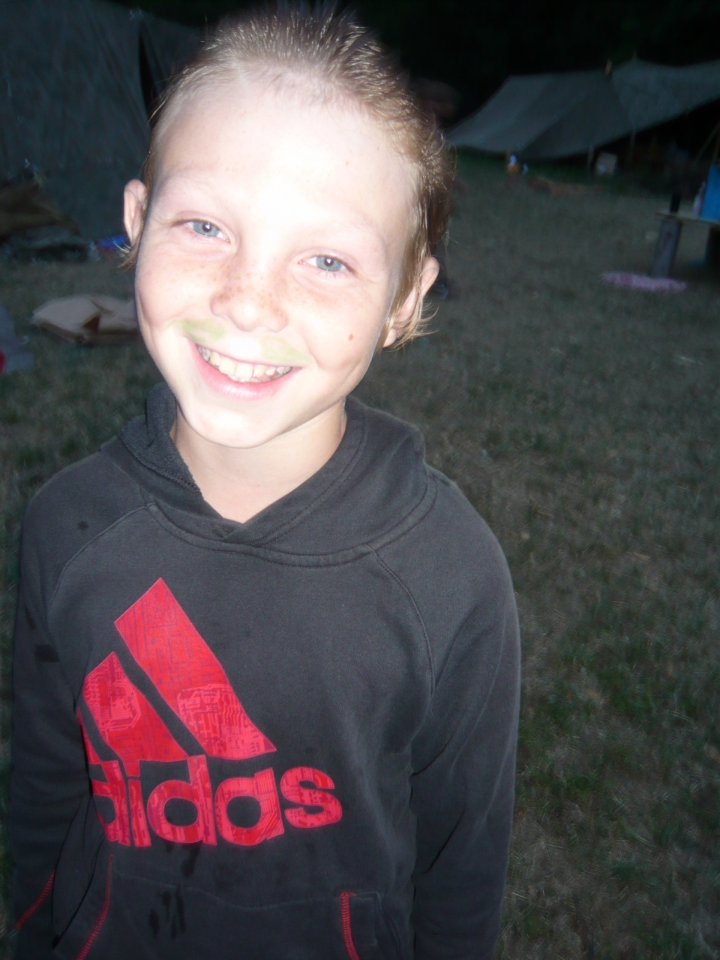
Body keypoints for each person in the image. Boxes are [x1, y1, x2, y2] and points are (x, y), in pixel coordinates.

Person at [10, 5, 520, 958]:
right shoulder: (64, 527)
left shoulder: (453, 577)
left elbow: (462, 866)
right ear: (136, 223)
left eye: (325, 259)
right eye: (205, 225)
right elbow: (45, 796)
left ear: (404, 300)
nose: (247, 301)